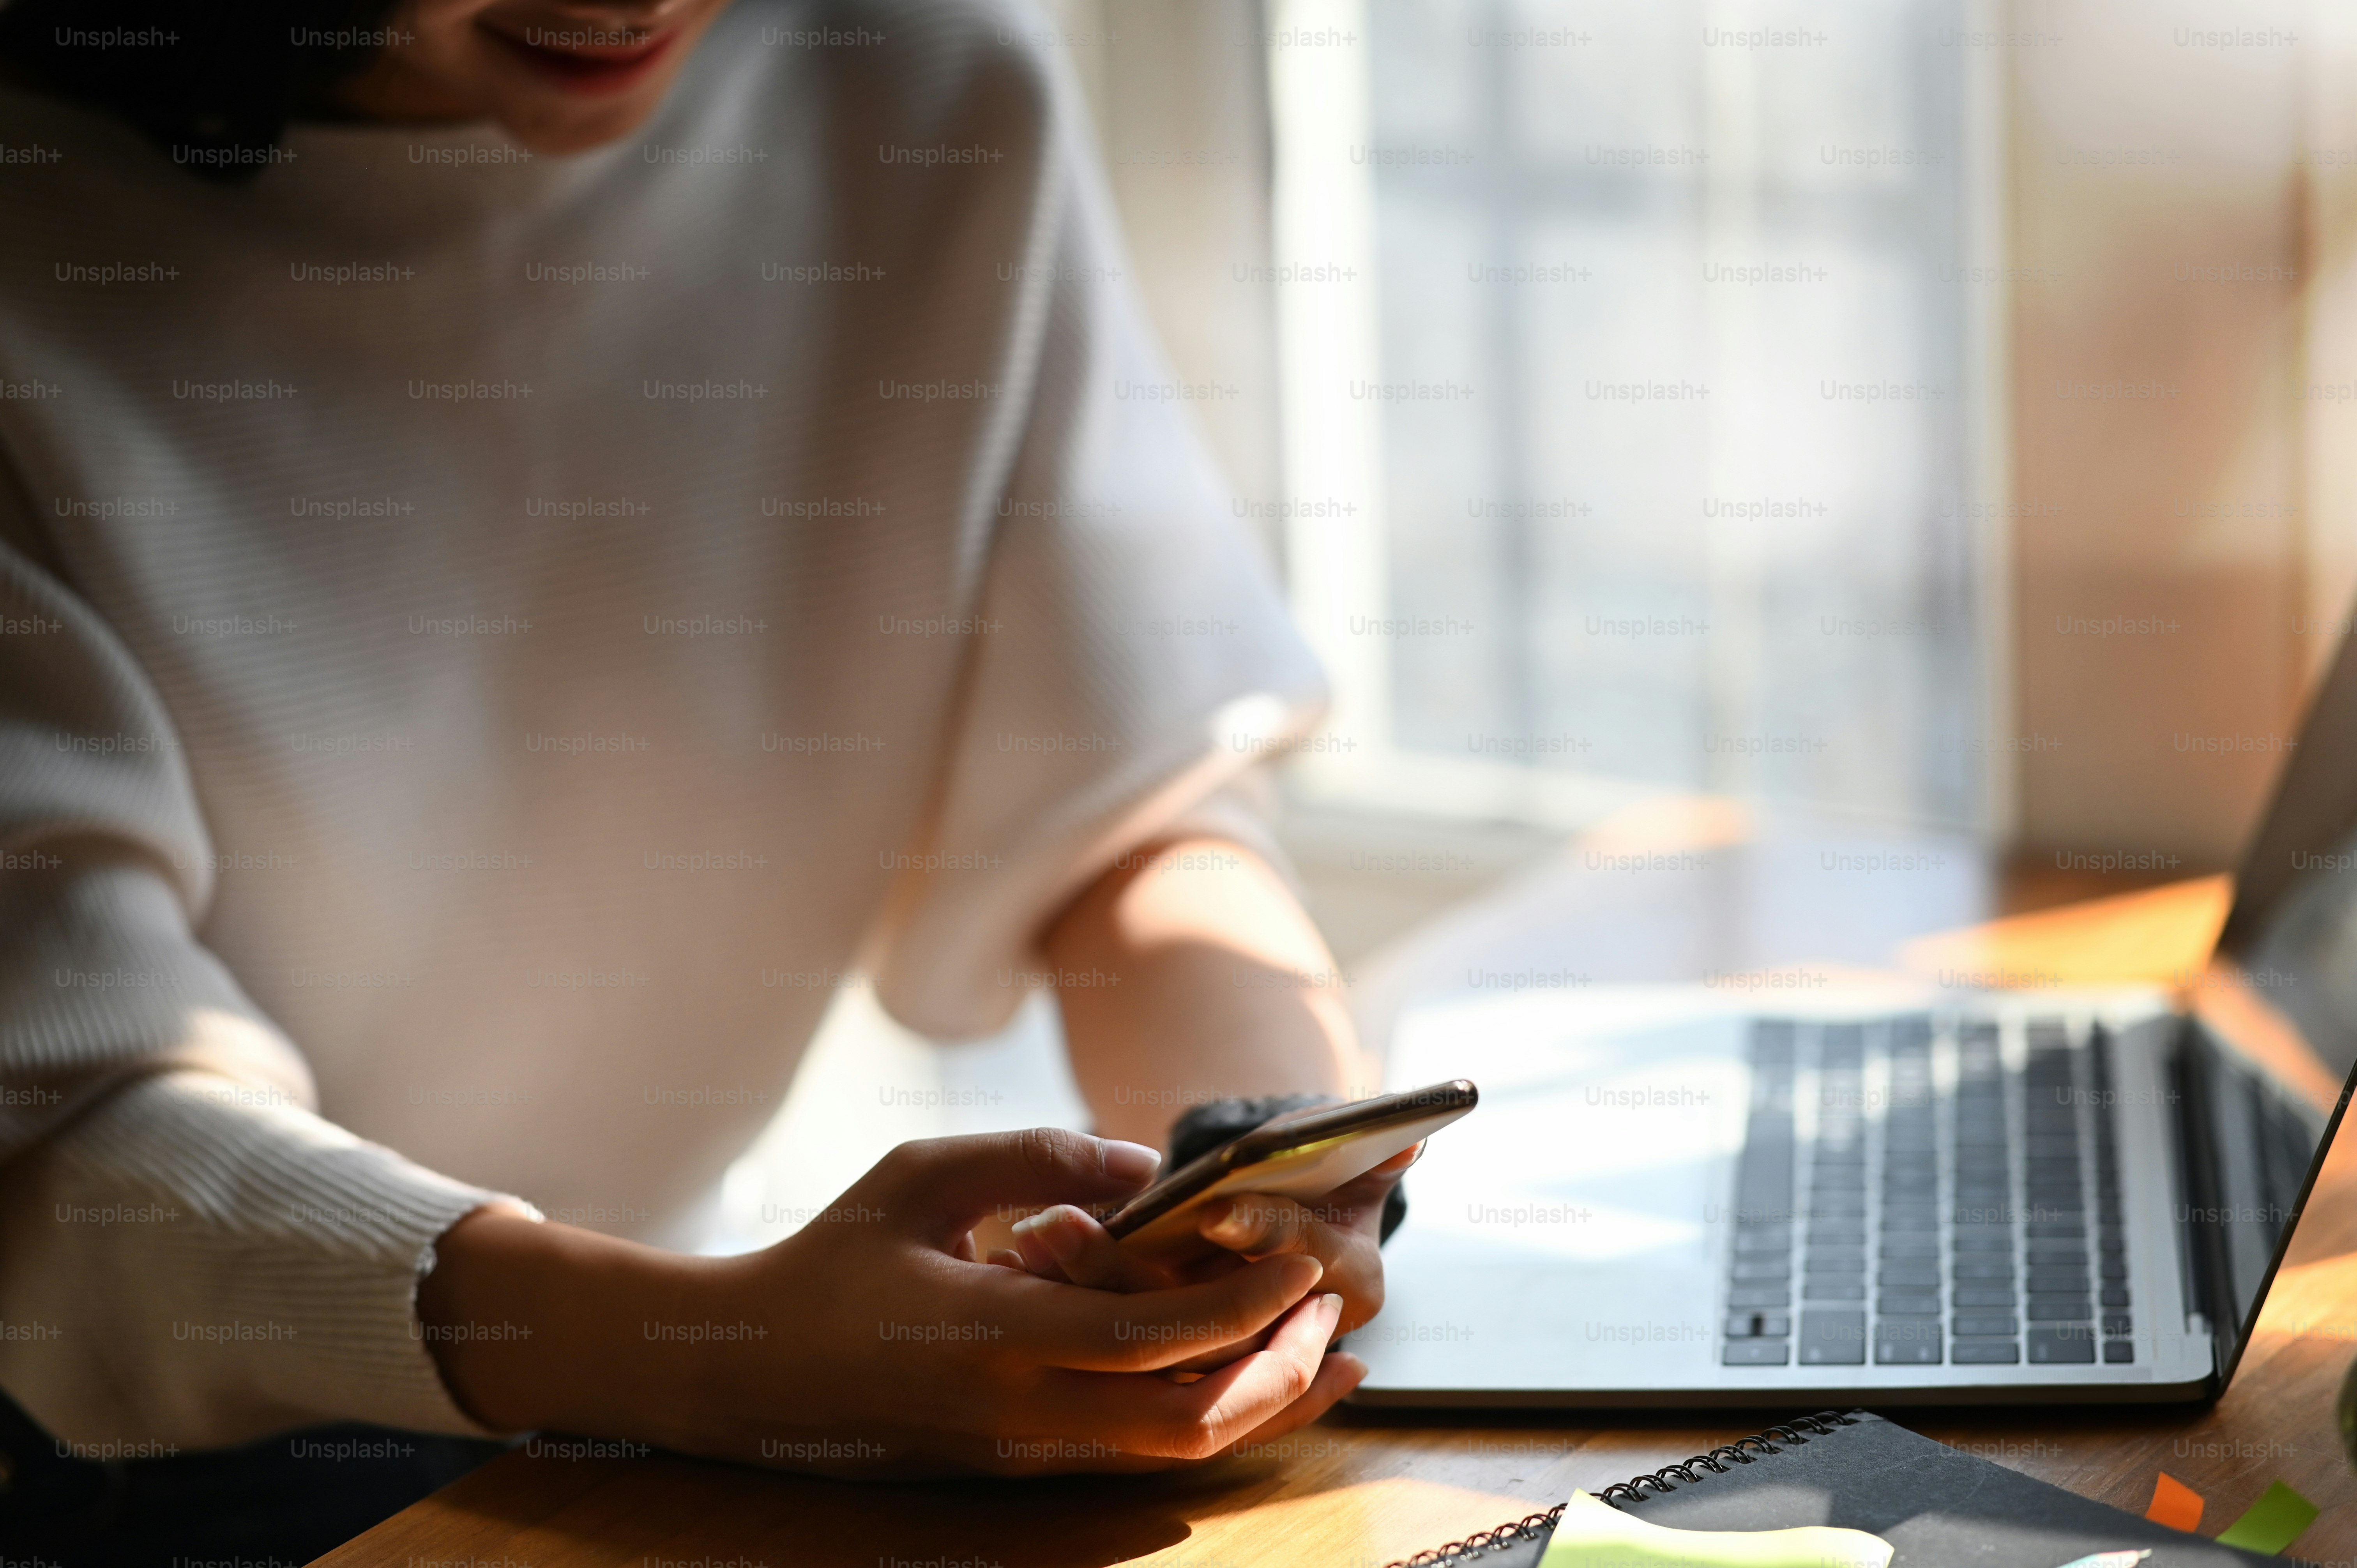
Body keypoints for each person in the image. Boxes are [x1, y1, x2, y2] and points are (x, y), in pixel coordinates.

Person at [0, 0, 1409, 1556]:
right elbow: (71, 1149)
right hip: (114, 1453)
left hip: (673, 1378)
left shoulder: (919, 82)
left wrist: (1268, 1168)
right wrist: (723, 1353)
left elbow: (1132, 809)